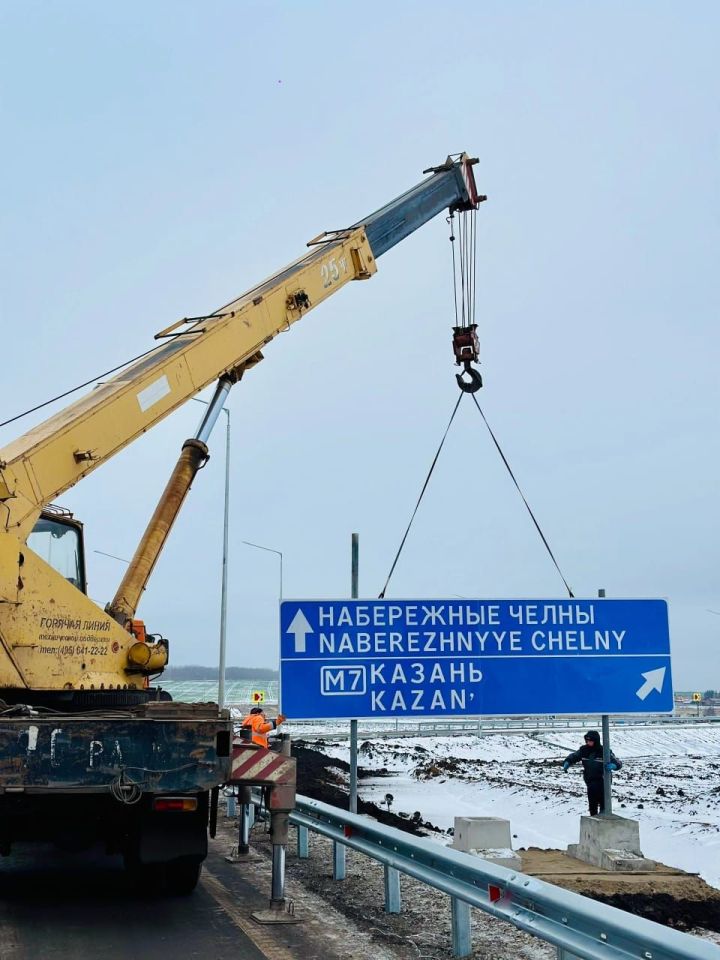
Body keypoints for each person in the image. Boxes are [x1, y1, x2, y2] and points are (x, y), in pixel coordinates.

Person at [562, 729, 622, 816]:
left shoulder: (604, 751)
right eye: (587, 740)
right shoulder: (584, 750)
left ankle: (603, 821)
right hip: (590, 782)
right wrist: (567, 761)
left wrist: (614, 766)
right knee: (592, 807)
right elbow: (574, 756)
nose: (588, 742)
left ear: (596, 741)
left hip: (603, 783)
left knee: (604, 806)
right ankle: (593, 822)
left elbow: (618, 762)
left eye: (590, 741)